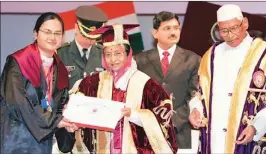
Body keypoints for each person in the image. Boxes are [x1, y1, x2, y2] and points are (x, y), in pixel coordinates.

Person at [188, 4, 266, 154]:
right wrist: (196, 109)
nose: (230, 35)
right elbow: (199, 94)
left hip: (249, 137)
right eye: (224, 31)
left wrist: (257, 126)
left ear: (245, 23)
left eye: (234, 28)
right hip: (215, 139)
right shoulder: (211, 55)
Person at [75, 24, 178, 154]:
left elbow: (164, 122)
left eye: (118, 53)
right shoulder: (91, 84)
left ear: (128, 53)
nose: (113, 59)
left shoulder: (148, 86)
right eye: (108, 54)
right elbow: (77, 111)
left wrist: (133, 114)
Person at [0, 12, 78, 154]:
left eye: (57, 33)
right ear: (35, 34)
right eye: (47, 32)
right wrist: (55, 121)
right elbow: (18, 103)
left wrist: (66, 124)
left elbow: (60, 107)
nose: (52, 37)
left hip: (44, 145)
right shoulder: (17, 62)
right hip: (16, 142)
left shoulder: (60, 69)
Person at [134, 11, 201, 148]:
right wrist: (152, 121)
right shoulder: (140, 60)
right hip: (147, 131)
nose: (173, 32)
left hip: (181, 131)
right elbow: (136, 95)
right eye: (167, 28)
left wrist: (171, 120)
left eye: (176, 28)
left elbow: (194, 94)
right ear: (155, 33)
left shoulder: (193, 59)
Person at [57, 5, 108, 89]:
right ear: (76, 27)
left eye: (95, 36)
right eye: (87, 35)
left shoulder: (104, 53)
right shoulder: (60, 54)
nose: (91, 39)